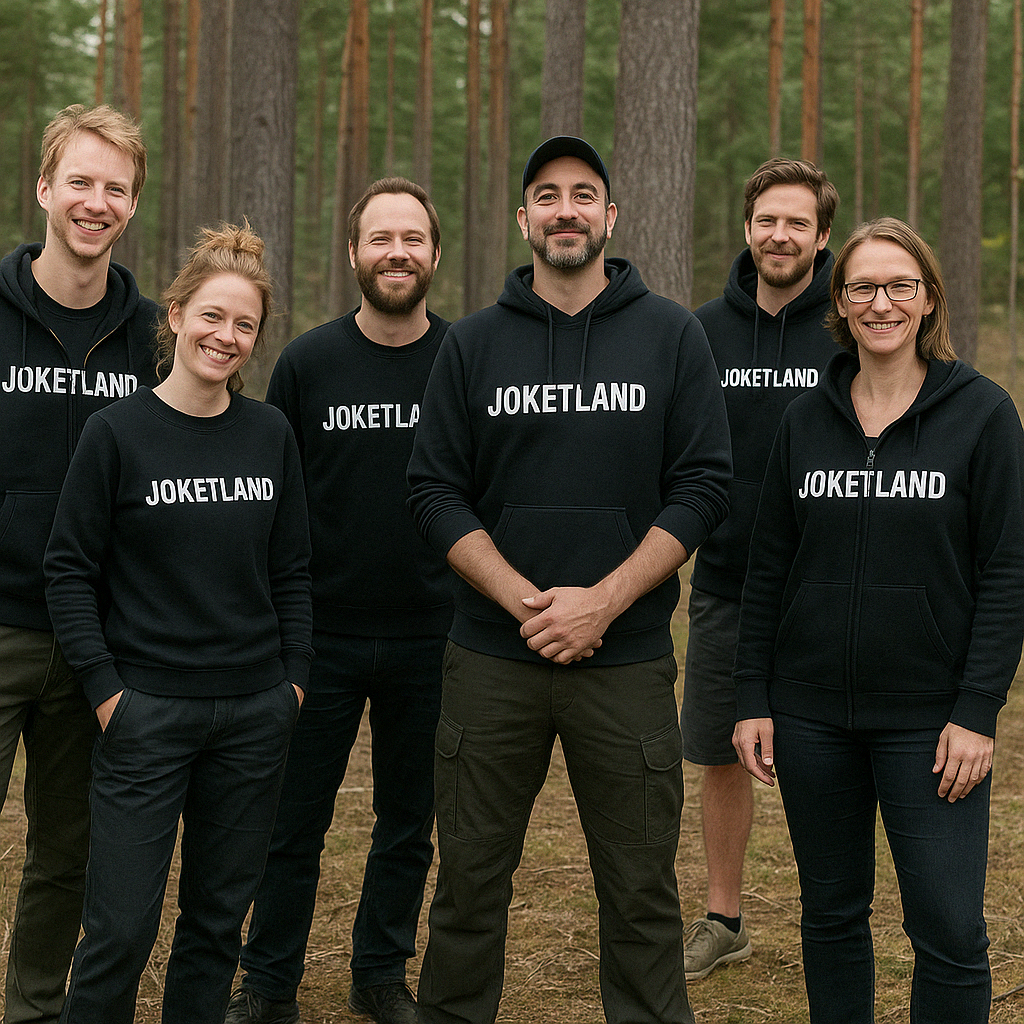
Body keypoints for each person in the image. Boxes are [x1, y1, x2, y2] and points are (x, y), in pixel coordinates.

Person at [407, 136, 732, 1024]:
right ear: (524, 219)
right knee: (468, 884)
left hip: (625, 661)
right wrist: (524, 601)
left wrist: (604, 602)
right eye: (547, 195)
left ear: (610, 216)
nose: (565, 210)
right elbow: (432, 491)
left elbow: (704, 485)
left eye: (583, 194)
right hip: (491, 658)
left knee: (640, 889)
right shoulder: (472, 344)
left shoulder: (672, 335)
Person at [733, 217, 1024, 1023]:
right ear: (840, 301)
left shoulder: (983, 414)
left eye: (900, 285)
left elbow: (1008, 573)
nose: (882, 303)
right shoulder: (804, 420)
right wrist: (753, 697)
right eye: (863, 287)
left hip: (931, 724)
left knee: (950, 930)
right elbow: (768, 569)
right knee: (830, 915)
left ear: (928, 298)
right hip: (810, 716)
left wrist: (977, 711)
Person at [43, 223, 313, 1024]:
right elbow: (68, 570)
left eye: (244, 325)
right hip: (146, 715)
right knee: (119, 931)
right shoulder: (116, 432)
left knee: (215, 927)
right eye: (212, 316)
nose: (225, 336)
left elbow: (293, 571)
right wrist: (107, 695)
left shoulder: (269, 434)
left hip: (253, 716)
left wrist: (292, 685)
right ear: (177, 315)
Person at [227, 178, 452, 1024]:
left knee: (408, 821)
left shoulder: (463, 359)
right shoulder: (308, 363)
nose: (397, 252)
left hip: (434, 633)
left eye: (413, 238)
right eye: (380, 237)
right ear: (353, 252)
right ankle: (268, 982)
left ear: (434, 253)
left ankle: (380, 974)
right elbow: (275, 500)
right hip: (319, 634)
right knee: (291, 822)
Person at [0, 102, 157, 1024]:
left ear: (133, 204)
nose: (96, 202)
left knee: (66, 852)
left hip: (96, 643)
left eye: (116, 188)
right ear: (44, 189)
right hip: (0, 624)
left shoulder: (151, 338)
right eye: (81, 182)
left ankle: (33, 1009)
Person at [680, 157, 839, 980]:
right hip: (727, 585)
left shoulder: (849, 325)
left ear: (822, 235)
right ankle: (724, 919)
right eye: (768, 220)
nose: (780, 235)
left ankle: (835, 922)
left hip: (829, 589)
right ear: (748, 227)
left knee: (829, 755)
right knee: (719, 752)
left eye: (797, 223)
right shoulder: (702, 331)